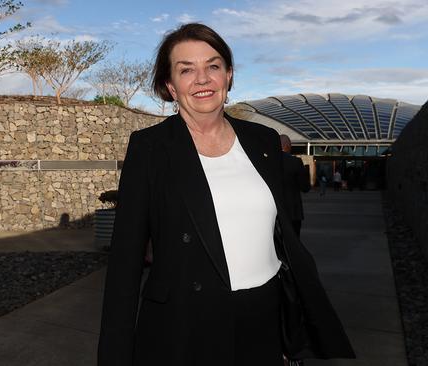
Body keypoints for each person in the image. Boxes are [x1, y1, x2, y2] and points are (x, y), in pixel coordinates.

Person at [97, 23, 354, 366]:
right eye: (186, 70)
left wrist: (287, 327)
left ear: (229, 76)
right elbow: (125, 265)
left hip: (264, 316)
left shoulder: (262, 140)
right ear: (170, 86)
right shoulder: (150, 150)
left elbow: (282, 233)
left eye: (213, 66)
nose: (202, 79)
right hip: (185, 323)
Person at [279, 134, 310, 238]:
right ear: (288, 146)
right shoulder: (295, 162)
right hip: (293, 211)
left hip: (275, 212)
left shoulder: (268, 162)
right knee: (294, 243)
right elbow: (305, 187)